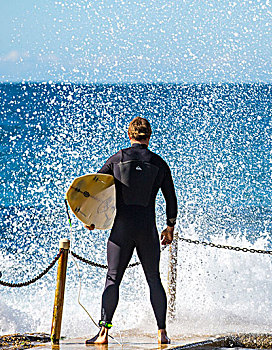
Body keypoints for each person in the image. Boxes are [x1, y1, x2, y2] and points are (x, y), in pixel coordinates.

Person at [85, 117, 177, 345]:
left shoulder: (117, 159)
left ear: (130, 135)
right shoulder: (159, 163)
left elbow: (94, 187)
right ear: (149, 136)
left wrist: (90, 217)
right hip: (147, 229)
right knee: (154, 279)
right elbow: (171, 198)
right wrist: (170, 226)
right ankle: (162, 333)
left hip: (121, 229)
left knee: (113, 278)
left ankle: (103, 333)